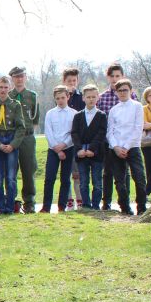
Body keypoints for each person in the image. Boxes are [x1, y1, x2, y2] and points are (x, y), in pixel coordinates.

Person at [97, 63, 138, 210]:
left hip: (127, 141)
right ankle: (106, 202)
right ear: (108, 77)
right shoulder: (102, 97)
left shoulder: (131, 95)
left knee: (124, 173)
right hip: (109, 141)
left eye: (118, 76)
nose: (115, 79)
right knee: (107, 172)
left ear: (122, 76)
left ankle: (124, 202)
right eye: (112, 76)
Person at [0, 76, 25, 215]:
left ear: (9, 88)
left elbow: (21, 127)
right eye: (1, 87)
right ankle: (1, 208)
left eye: (6, 87)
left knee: (11, 178)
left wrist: (13, 145)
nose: (3, 90)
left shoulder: (15, 105)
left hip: (11, 139)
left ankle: (10, 207)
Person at [107, 78, 148, 215]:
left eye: (125, 90)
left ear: (131, 91)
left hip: (133, 146)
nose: (122, 93)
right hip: (116, 149)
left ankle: (141, 207)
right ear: (116, 93)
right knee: (119, 180)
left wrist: (126, 146)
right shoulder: (113, 110)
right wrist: (116, 147)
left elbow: (138, 128)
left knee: (139, 177)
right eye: (120, 90)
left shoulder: (137, 106)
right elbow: (110, 132)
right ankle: (124, 207)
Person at [40, 85, 77, 213]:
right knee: (49, 178)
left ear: (68, 97)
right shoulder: (50, 114)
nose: (60, 100)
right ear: (55, 99)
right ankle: (46, 207)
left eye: (62, 97)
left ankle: (62, 206)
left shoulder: (74, 114)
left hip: (68, 148)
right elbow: (48, 132)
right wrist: (57, 149)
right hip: (53, 149)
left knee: (65, 179)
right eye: (58, 98)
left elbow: (74, 133)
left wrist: (64, 146)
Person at [71, 84, 108, 209]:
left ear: (98, 98)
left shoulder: (102, 115)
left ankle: (96, 205)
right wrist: (79, 149)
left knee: (97, 181)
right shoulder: (78, 116)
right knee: (83, 181)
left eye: (93, 97)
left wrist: (91, 149)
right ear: (83, 98)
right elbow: (74, 133)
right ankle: (86, 204)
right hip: (81, 152)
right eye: (88, 97)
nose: (91, 99)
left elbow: (101, 133)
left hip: (96, 152)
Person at [8, 66, 40, 213]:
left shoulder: (32, 96)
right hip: (12, 137)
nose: (19, 79)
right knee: (11, 170)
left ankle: (29, 201)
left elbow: (35, 118)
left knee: (28, 169)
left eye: (21, 76)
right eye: (16, 77)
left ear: (25, 77)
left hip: (27, 137)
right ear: (12, 79)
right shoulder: (8, 96)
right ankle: (12, 201)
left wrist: (28, 133)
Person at [62, 67, 84, 209]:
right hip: (63, 142)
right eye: (69, 81)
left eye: (74, 81)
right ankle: (68, 199)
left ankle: (80, 199)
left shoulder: (81, 97)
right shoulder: (60, 97)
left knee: (77, 173)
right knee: (66, 173)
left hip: (77, 141)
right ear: (64, 81)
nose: (71, 83)